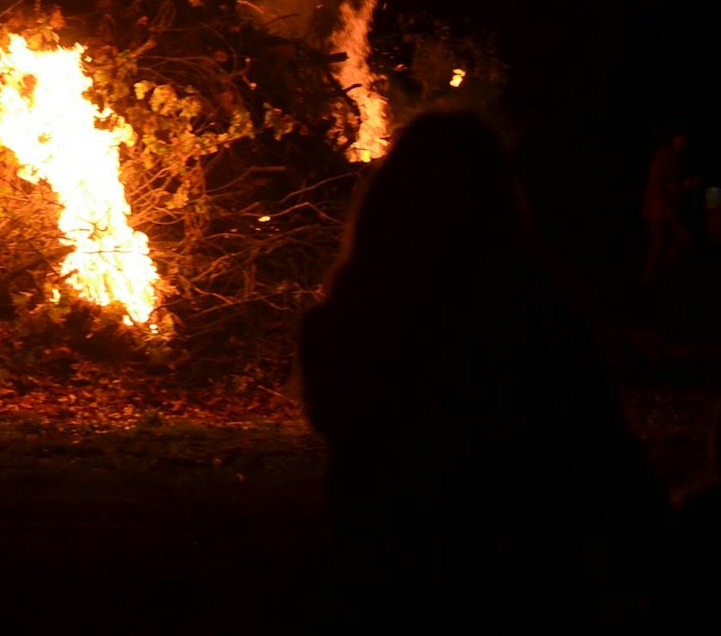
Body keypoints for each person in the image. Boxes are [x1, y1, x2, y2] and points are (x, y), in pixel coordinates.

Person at [298, 111, 666, 626]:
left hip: (379, 586)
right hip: (516, 587)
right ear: (501, 202)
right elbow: (602, 454)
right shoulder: (540, 321)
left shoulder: (337, 327)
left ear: (386, 205)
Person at [642, 127, 695, 288]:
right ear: (671, 139)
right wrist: (665, 206)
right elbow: (656, 183)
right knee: (658, 243)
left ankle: (660, 271)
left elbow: (671, 183)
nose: (683, 142)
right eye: (680, 138)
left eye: (685, 139)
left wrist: (684, 185)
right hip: (657, 207)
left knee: (683, 238)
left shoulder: (674, 156)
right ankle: (646, 281)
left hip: (668, 206)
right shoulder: (662, 155)